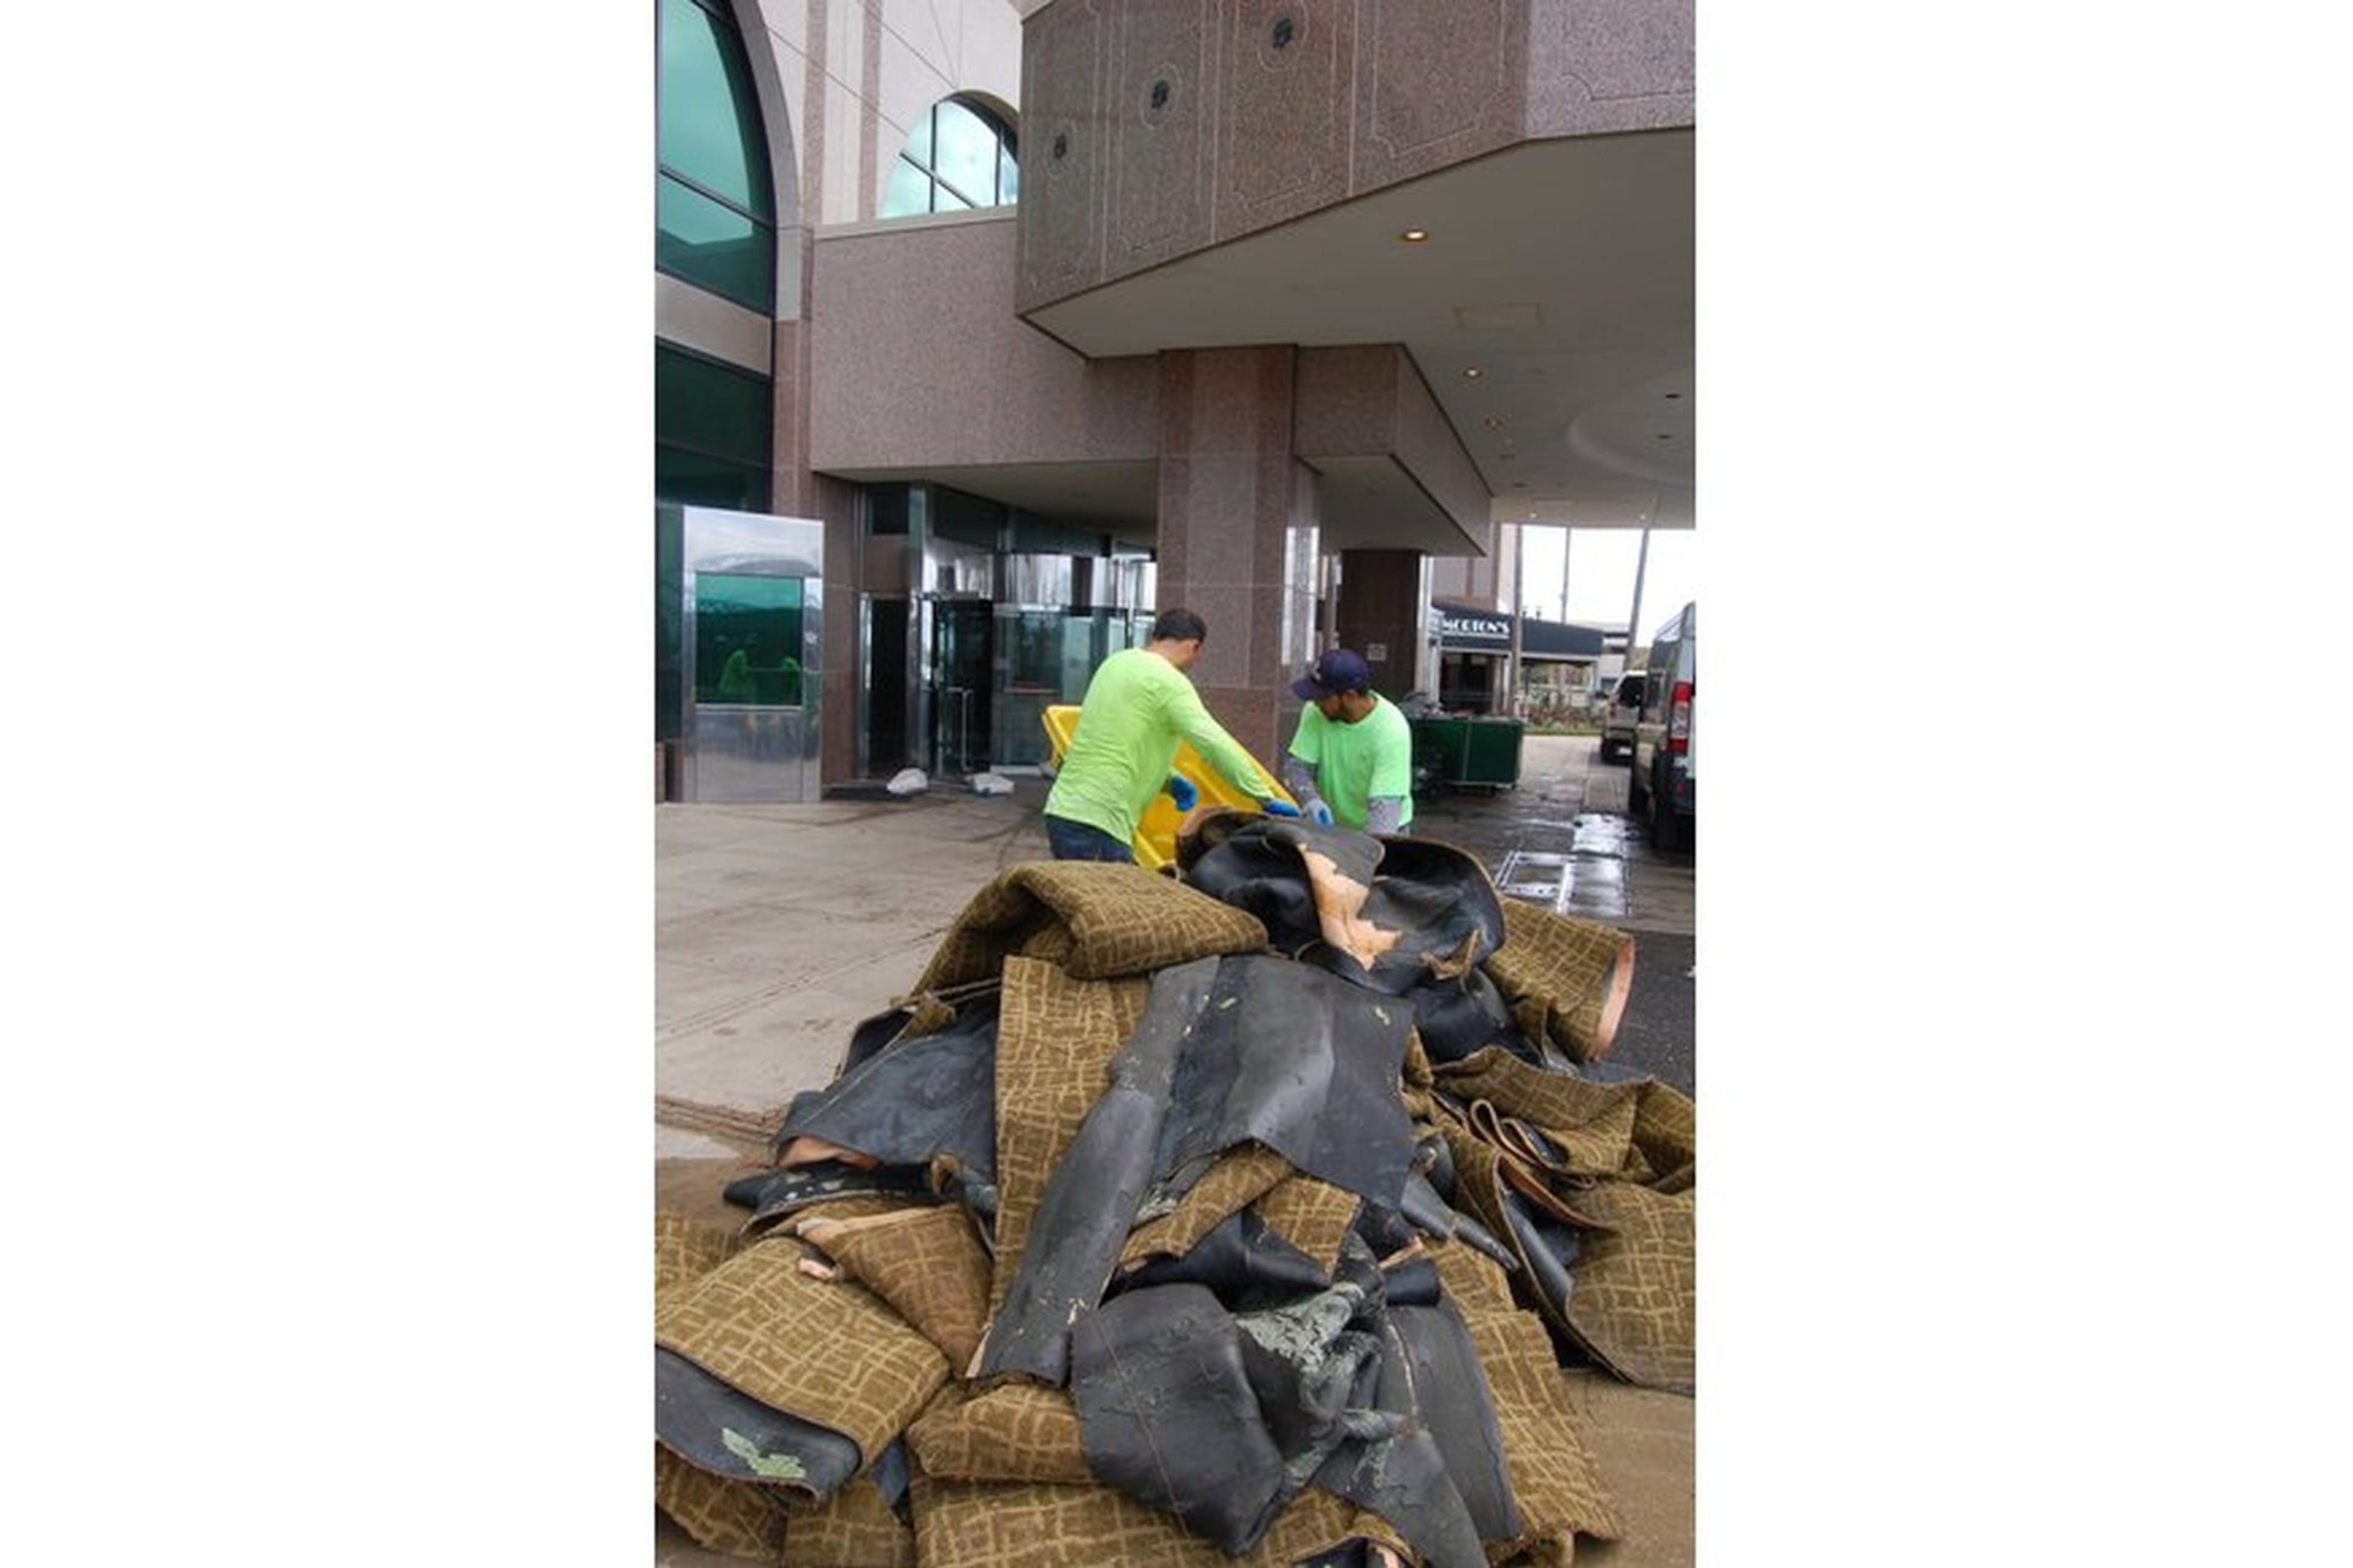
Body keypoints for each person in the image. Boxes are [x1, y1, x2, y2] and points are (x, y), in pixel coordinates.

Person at [1043, 607, 1300, 862]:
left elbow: (1116, 742)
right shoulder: (1170, 683)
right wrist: (1263, 796)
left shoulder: (1115, 663)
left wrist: (1169, 780)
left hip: (1063, 811)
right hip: (1100, 822)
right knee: (1120, 902)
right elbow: (1214, 744)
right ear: (1194, 647)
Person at [1283, 647, 1415, 836]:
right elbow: (1297, 768)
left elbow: (1384, 812)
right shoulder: (1316, 711)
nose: (1316, 702)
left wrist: (1363, 856)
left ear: (1350, 696)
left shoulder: (1391, 729)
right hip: (1334, 827)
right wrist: (1310, 799)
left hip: (1386, 827)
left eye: (1323, 697)